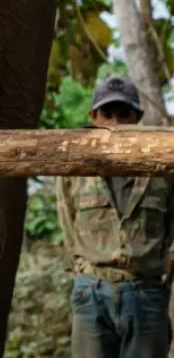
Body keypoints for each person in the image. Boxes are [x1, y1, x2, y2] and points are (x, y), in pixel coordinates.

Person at [56, 75, 174, 358]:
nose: (115, 124)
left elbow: (170, 228)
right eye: (107, 114)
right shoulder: (75, 168)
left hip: (146, 293)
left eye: (124, 115)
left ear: (138, 118)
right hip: (91, 293)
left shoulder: (163, 171)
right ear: (93, 117)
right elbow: (67, 223)